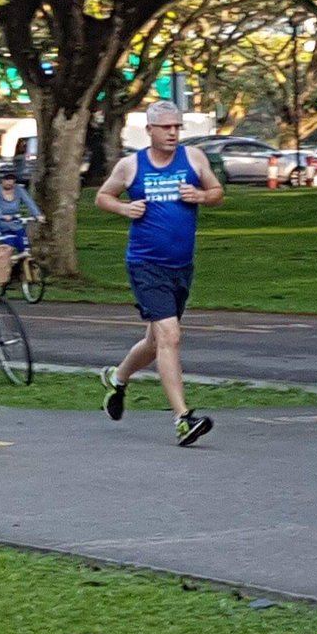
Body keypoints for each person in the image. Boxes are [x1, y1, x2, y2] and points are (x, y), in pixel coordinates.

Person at [95, 100, 224, 446]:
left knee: (155, 343)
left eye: (177, 127)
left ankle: (117, 377)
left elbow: (217, 193)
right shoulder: (131, 166)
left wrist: (199, 195)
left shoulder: (193, 159)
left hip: (181, 266)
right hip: (145, 264)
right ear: (149, 130)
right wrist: (124, 208)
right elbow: (102, 197)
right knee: (170, 336)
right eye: (165, 127)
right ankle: (183, 419)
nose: (172, 133)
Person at [0, 166, 43, 252]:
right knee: (9, 247)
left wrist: (37, 215)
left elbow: (29, 202)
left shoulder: (19, 189)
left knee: (23, 247)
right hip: (1, 225)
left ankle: (23, 263)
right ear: (1, 179)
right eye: (6, 179)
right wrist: (2, 216)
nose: (9, 182)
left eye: (12, 179)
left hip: (16, 223)